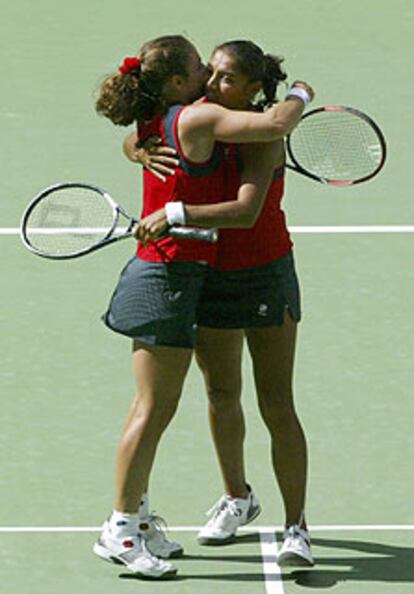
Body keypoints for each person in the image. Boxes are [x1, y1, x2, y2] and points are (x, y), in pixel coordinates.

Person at [93, 34, 312, 579]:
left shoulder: (238, 130)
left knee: (267, 403)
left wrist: (171, 210)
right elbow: (147, 136)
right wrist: (139, 152)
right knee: (191, 399)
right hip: (189, 276)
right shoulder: (194, 116)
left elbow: (245, 208)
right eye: (206, 71)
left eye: (224, 77)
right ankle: (187, 509)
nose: (212, 82)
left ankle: (293, 526)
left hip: (248, 274)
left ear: (253, 88)